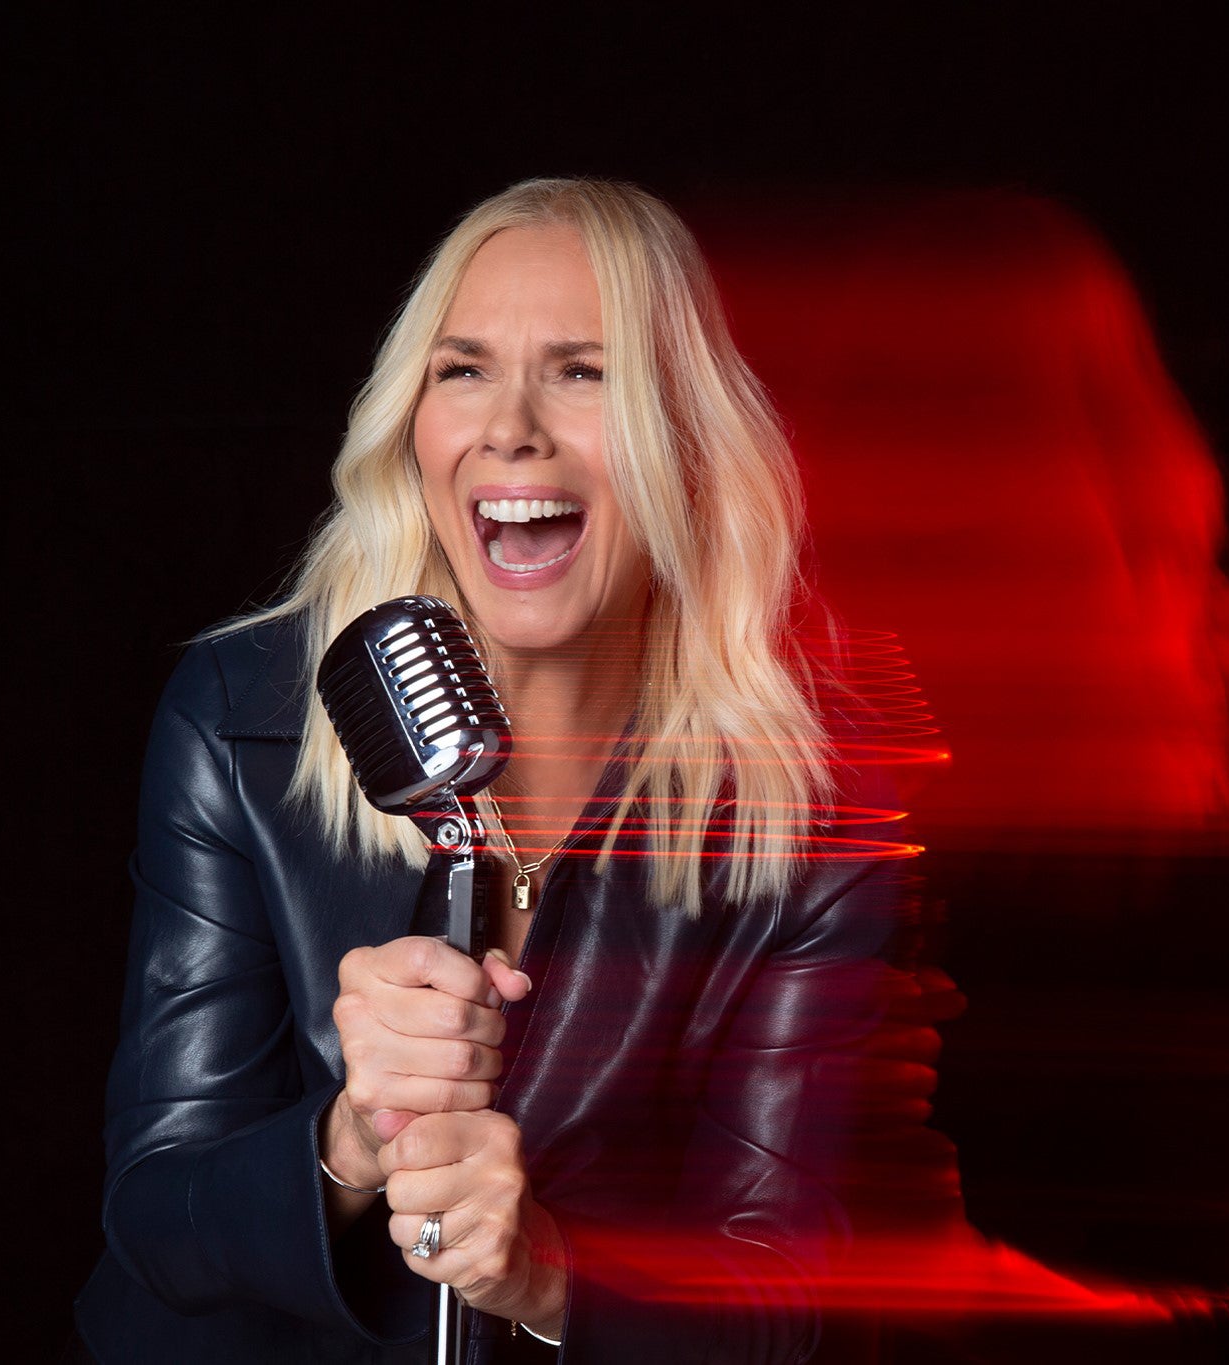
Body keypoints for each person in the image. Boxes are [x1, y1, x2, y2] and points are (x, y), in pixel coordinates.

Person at [72, 178, 926, 1363]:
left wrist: (543, 1274)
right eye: (462, 369)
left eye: (583, 372)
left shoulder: (812, 803)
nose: (510, 426)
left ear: (688, 441)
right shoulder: (244, 718)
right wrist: (352, 1140)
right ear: (412, 427)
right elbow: (156, 1221)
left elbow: (787, 1297)